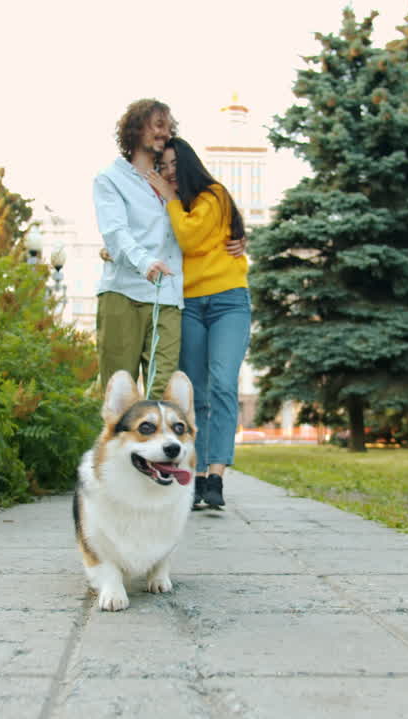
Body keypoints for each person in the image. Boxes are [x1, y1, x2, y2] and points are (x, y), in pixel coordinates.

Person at [142, 136, 250, 510]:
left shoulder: (213, 195)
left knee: (222, 383)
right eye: (163, 167)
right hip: (187, 303)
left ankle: (216, 475)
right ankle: (197, 475)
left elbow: (188, 239)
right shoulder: (170, 205)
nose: (168, 173)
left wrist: (171, 199)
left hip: (227, 301)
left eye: (173, 165)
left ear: (187, 163)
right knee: (195, 393)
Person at [92, 99, 184, 398]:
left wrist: (235, 234)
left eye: (168, 128)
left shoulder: (173, 178)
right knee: (120, 394)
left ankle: (155, 447)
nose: (164, 133)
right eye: (158, 125)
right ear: (135, 128)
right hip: (124, 294)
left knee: (163, 395)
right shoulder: (110, 179)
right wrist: (145, 262)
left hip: (168, 298)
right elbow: (115, 233)